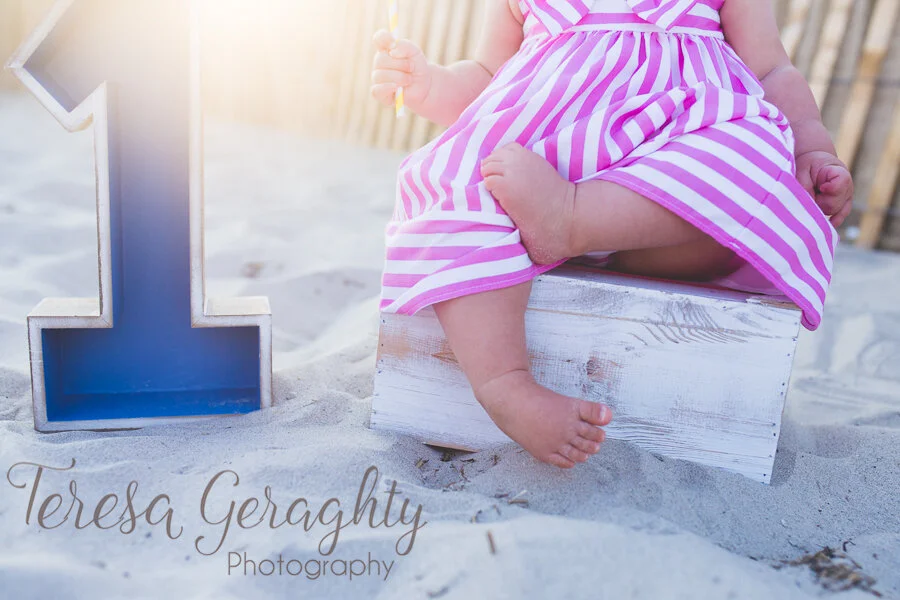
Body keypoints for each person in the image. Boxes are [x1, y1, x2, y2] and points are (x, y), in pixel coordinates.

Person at [371, 0, 854, 469]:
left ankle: (574, 221)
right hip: (543, 166)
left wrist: (811, 147)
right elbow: (484, 74)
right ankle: (505, 385)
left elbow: (770, 72)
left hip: (657, 203)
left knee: (755, 152)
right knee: (459, 187)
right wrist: (429, 85)